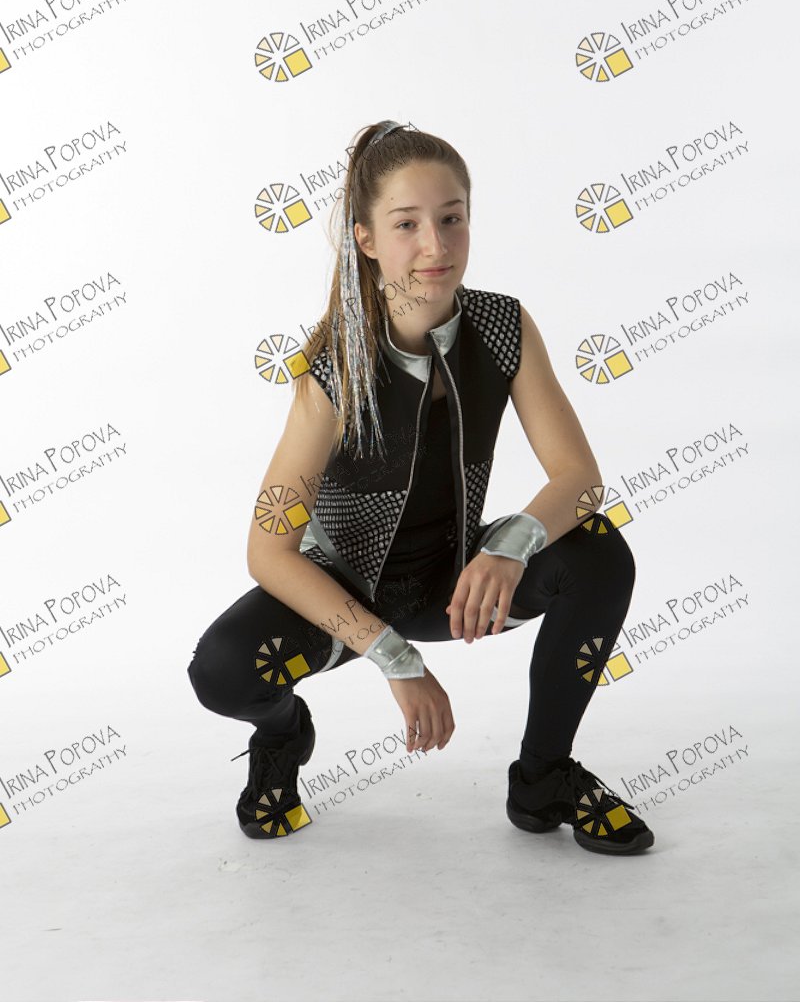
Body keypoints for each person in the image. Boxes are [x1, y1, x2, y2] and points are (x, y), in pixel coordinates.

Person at [186, 119, 655, 856]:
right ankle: (282, 734)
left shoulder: (503, 326)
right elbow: (268, 551)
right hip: (342, 593)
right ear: (366, 238)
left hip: (455, 582)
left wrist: (507, 546)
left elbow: (579, 479)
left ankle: (543, 776)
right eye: (407, 224)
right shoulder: (333, 366)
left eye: (452, 218)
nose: (435, 245)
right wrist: (395, 657)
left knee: (597, 552)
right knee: (220, 670)